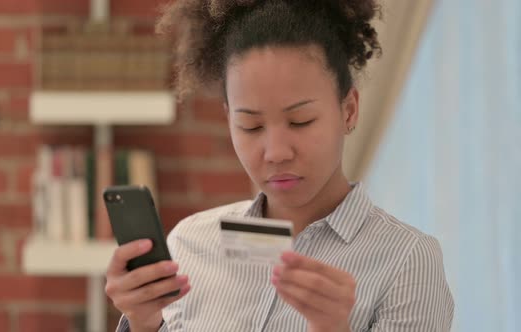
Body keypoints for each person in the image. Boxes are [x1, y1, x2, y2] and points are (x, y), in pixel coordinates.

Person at [105, 0, 455, 331]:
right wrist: (144, 322)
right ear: (228, 119)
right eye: (251, 126)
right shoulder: (190, 244)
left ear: (348, 111)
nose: (275, 152)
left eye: (300, 121)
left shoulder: (407, 260)